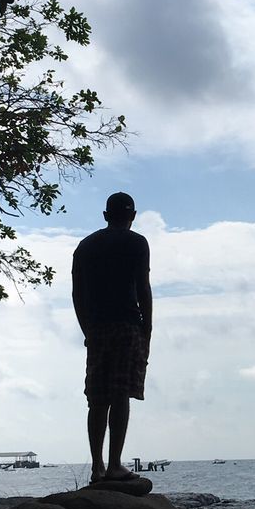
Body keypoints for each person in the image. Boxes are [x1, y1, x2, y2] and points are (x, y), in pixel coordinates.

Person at [72, 192, 152, 483]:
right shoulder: (137, 243)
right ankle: (115, 464)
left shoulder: (85, 247)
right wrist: (148, 329)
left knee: (98, 398)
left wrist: (87, 330)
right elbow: (143, 287)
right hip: (127, 325)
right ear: (132, 216)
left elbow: (77, 295)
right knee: (120, 394)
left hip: (97, 328)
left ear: (106, 215)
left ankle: (97, 467)